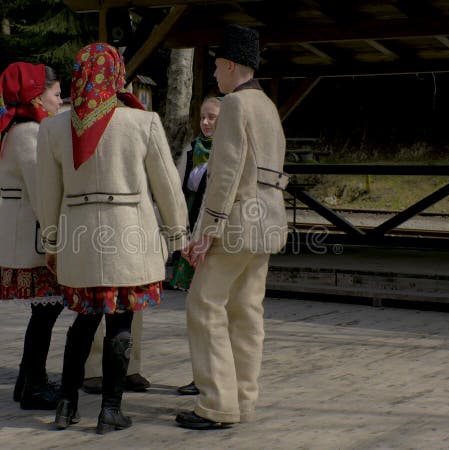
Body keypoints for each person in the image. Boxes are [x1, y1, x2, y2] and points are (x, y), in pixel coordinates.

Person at [36, 43, 188, 434]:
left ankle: (66, 406)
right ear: (118, 74)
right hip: (129, 239)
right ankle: (110, 411)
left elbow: (46, 194)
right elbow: (168, 187)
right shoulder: (144, 122)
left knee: (82, 322)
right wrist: (177, 234)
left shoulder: (53, 127)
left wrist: (52, 244)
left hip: (79, 241)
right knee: (121, 321)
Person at [175, 24, 289, 429]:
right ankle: (243, 398)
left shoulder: (235, 105)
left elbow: (225, 173)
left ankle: (217, 403)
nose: (215, 76)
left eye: (217, 68)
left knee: (203, 305)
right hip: (267, 221)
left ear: (230, 64)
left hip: (237, 221)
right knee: (246, 311)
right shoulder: (267, 106)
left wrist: (205, 233)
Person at [0, 62, 65, 410]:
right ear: (36, 95)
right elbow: (43, 193)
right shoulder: (31, 133)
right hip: (32, 239)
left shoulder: (15, 131)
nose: (60, 102)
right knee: (45, 312)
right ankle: (32, 383)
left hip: (22, 235)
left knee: (44, 311)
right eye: (55, 94)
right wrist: (57, 240)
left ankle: (27, 379)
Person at [171, 96, 222, 397]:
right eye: (203, 116)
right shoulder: (192, 151)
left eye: (212, 117)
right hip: (192, 233)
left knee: (211, 311)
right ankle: (200, 374)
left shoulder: (227, 153)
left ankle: (214, 376)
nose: (205, 122)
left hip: (214, 237)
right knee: (196, 310)